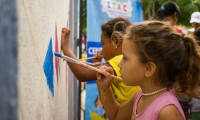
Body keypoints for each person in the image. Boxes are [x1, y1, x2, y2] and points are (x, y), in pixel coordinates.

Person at [96, 21, 200, 120]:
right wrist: (105, 87)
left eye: (125, 58)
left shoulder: (167, 111)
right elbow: (116, 116)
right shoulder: (142, 94)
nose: (119, 64)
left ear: (149, 69)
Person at [61, 17, 140, 117]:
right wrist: (98, 68)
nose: (102, 51)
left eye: (103, 44)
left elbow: (82, 74)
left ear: (116, 41)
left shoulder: (120, 59)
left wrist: (65, 47)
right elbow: (106, 104)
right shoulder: (126, 61)